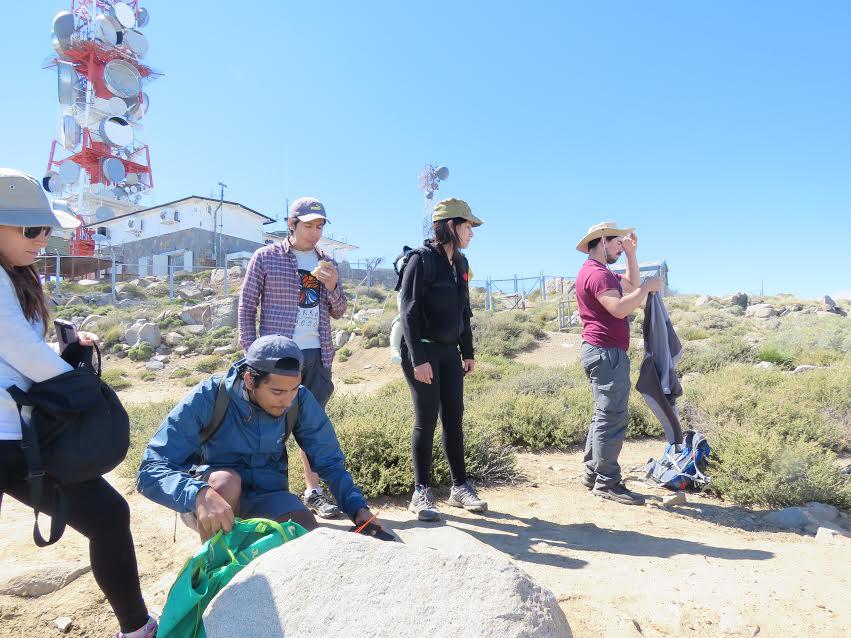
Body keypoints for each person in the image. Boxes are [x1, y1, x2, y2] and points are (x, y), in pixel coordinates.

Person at [0, 169, 157, 638]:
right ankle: (137, 628)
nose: (42, 239)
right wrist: (81, 381)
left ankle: (136, 626)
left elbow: (22, 348)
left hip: (14, 433)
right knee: (108, 516)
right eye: (31, 229)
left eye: (46, 229)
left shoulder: (14, 276)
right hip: (8, 438)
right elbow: (24, 354)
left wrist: (65, 347)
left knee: (108, 516)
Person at [137, 334, 381, 540]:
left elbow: (329, 460)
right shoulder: (210, 395)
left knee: (304, 528)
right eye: (277, 392)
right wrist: (198, 494)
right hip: (211, 500)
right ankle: (217, 571)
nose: (287, 400)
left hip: (268, 496)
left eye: (293, 390)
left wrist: (357, 508)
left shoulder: (300, 400)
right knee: (225, 482)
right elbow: (150, 470)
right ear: (249, 379)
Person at [238, 197, 346, 519]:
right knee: (268, 425)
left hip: (318, 353)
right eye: (309, 225)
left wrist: (333, 285)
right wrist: (252, 355)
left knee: (311, 427)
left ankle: (313, 491)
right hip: (278, 356)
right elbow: (246, 308)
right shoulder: (266, 257)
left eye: (319, 226)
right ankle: (265, 495)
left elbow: (338, 311)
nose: (315, 232)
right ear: (291, 224)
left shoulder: (327, 261)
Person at [398, 197, 488, 521]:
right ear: (451, 225)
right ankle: (420, 492)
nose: (472, 234)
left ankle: (459, 487)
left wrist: (468, 351)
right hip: (422, 350)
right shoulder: (420, 260)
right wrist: (419, 358)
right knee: (427, 419)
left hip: (450, 353)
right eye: (468, 226)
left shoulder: (460, 264)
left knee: (454, 420)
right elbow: (407, 311)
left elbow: (464, 309)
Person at [575, 221, 662, 505]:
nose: (619, 247)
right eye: (616, 243)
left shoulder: (602, 272)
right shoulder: (597, 275)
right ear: (602, 241)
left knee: (603, 413)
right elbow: (620, 307)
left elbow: (630, 286)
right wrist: (647, 289)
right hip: (606, 352)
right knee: (611, 417)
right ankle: (607, 481)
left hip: (603, 351)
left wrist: (632, 256)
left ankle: (593, 474)